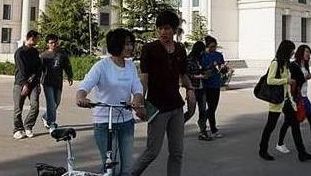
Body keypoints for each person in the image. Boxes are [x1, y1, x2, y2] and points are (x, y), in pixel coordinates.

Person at [131, 10, 196, 176]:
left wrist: (190, 90)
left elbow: (183, 75)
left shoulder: (180, 49)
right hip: (157, 107)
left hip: (176, 107)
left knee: (177, 152)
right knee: (152, 151)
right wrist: (139, 104)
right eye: (159, 28)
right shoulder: (149, 49)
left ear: (174, 30)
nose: (162, 32)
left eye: (166, 28)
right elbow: (144, 79)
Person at [77, 28, 144, 176]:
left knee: (127, 169)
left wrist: (136, 100)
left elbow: (137, 88)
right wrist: (81, 98)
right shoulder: (102, 66)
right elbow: (85, 85)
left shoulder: (131, 66)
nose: (130, 47)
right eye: (126, 44)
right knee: (110, 167)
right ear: (116, 45)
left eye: (131, 44)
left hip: (126, 121)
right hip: (104, 122)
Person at [258, 40, 311, 162]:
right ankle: (262, 150)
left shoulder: (286, 64)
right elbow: (270, 80)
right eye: (291, 50)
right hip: (276, 100)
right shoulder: (275, 63)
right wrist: (286, 80)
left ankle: (302, 153)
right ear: (286, 50)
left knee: (295, 126)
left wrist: (291, 95)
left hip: (287, 100)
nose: (293, 53)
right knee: (270, 126)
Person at [276, 44, 311, 156]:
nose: (308, 54)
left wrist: (306, 78)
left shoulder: (305, 65)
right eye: (306, 51)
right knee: (289, 122)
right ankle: (280, 143)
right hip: (295, 97)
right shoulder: (293, 65)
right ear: (301, 52)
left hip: (304, 96)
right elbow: (293, 81)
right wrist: (305, 78)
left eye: (309, 52)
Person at [40, 34, 74, 133]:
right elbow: (39, 70)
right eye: (51, 43)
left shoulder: (61, 54)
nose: (54, 44)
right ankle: (51, 123)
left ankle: (46, 116)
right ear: (47, 44)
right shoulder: (43, 56)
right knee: (51, 103)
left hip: (58, 82)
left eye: (55, 42)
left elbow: (67, 65)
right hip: (47, 82)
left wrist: (70, 75)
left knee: (56, 102)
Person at [13, 30, 42, 139]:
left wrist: (37, 83)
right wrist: (25, 84)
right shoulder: (20, 52)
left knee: (35, 106)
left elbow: (38, 68)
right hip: (20, 83)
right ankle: (18, 129)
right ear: (31, 38)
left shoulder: (35, 52)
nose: (37, 41)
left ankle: (28, 126)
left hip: (33, 83)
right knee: (18, 108)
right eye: (37, 39)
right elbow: (22, 69)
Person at [200, 35, 229, 138]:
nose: (213, 49)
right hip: (206, 84)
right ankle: (212, 129)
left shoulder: (219, 55)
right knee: (209, 107)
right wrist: (211, 66)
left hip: (216, 84)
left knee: (213, 107)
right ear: (207, 46)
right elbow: (201, 69)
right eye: (211, 47)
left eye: (215, 46)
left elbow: (222, 68)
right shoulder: (203, 56)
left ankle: (204, 122)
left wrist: (224, 68)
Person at [184, 40, 212, 141]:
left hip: (202, 88)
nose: (202, 52)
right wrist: (198, 76)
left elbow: (202, 69)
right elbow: (186, 75)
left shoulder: (200, 59)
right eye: (201, 50)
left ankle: (203, 132)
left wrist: (207, 70)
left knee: (203, 111)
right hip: (193, 88)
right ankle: (176, 126)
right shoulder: (189, 60)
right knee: (191, 112)